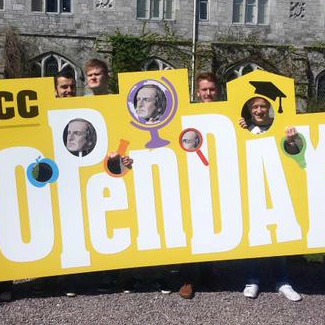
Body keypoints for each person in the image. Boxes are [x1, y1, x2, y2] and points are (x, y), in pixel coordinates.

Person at [239, 96, 302, 301]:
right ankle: (252, 280)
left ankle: (282, 281)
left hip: (277, 186)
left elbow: (294, 153)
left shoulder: (283, 128)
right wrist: (239, 127)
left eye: (263, 106)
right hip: (250, 186)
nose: (259, 110)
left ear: (269, 108)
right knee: (254, 234)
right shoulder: (243, 128)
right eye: (255, 107)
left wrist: (291, 141)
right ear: (250, 109)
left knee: (279, 235)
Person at [178, 72, 219, 300]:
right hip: (190, 176)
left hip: (215, 175)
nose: (208, 93)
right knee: (190, 226)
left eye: (211, 89)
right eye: (204, 89)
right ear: (197, 91)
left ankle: (208, 271)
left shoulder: (226, 111)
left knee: (210, 223)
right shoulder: (187, 113)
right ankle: (188, 279)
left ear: (218, 91)